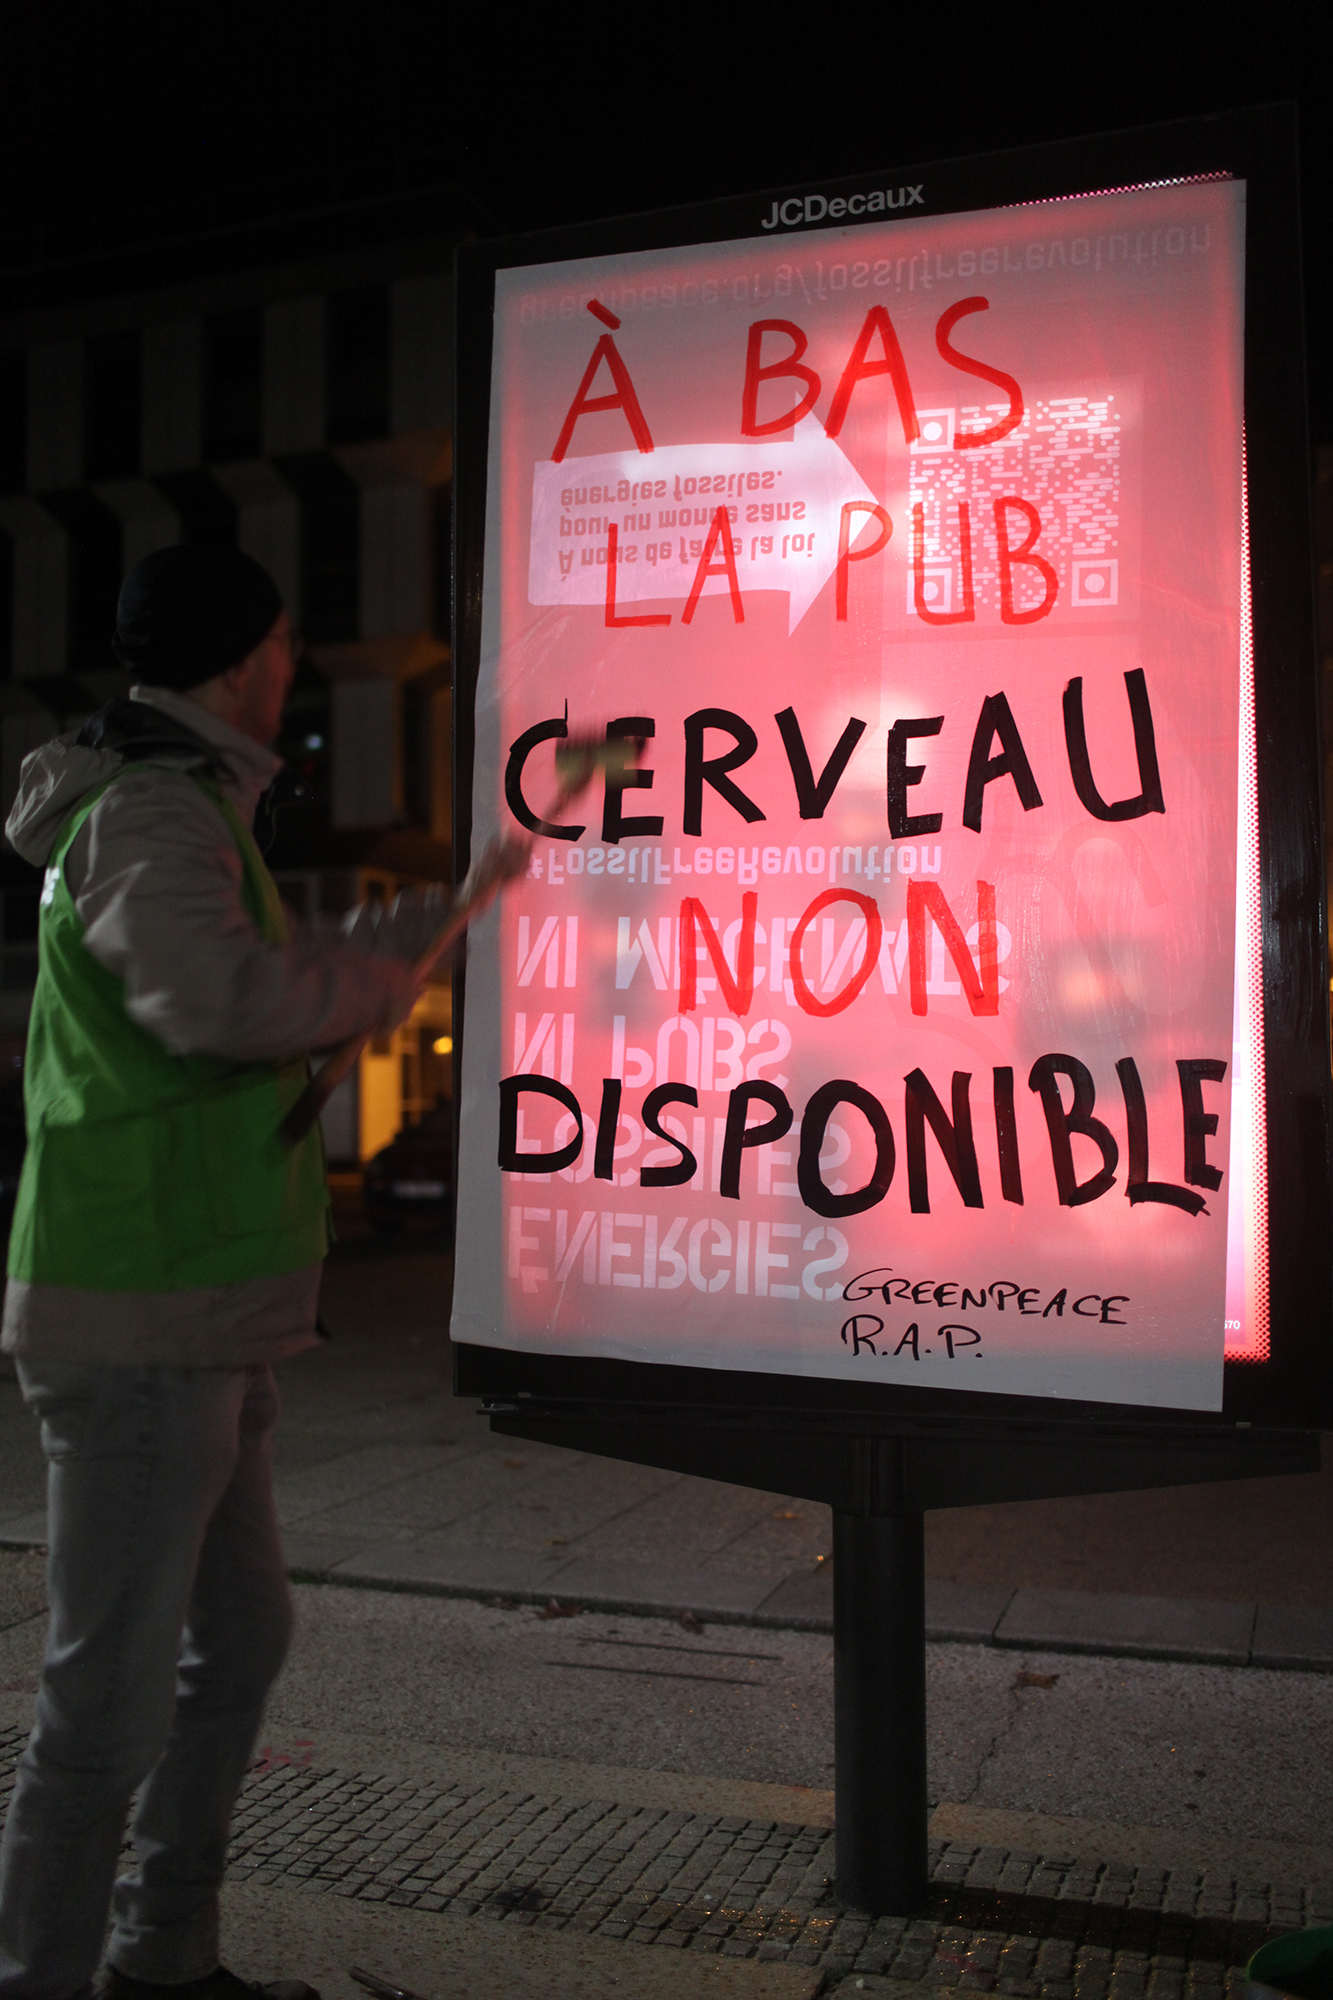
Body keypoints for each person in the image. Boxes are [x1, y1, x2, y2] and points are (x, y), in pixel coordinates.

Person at [0, 546, 441, 2000]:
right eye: (284, 638)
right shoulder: (146, 814)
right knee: (102, 1709)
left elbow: (235, 994)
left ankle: (162, 1958)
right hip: (140, 1318)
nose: (298, 661)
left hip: (199, 1313)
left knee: (239, 1639)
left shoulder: (183, 814)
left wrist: (398, 940)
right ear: (245, 655)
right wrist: (388, 962)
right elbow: (217, 999)